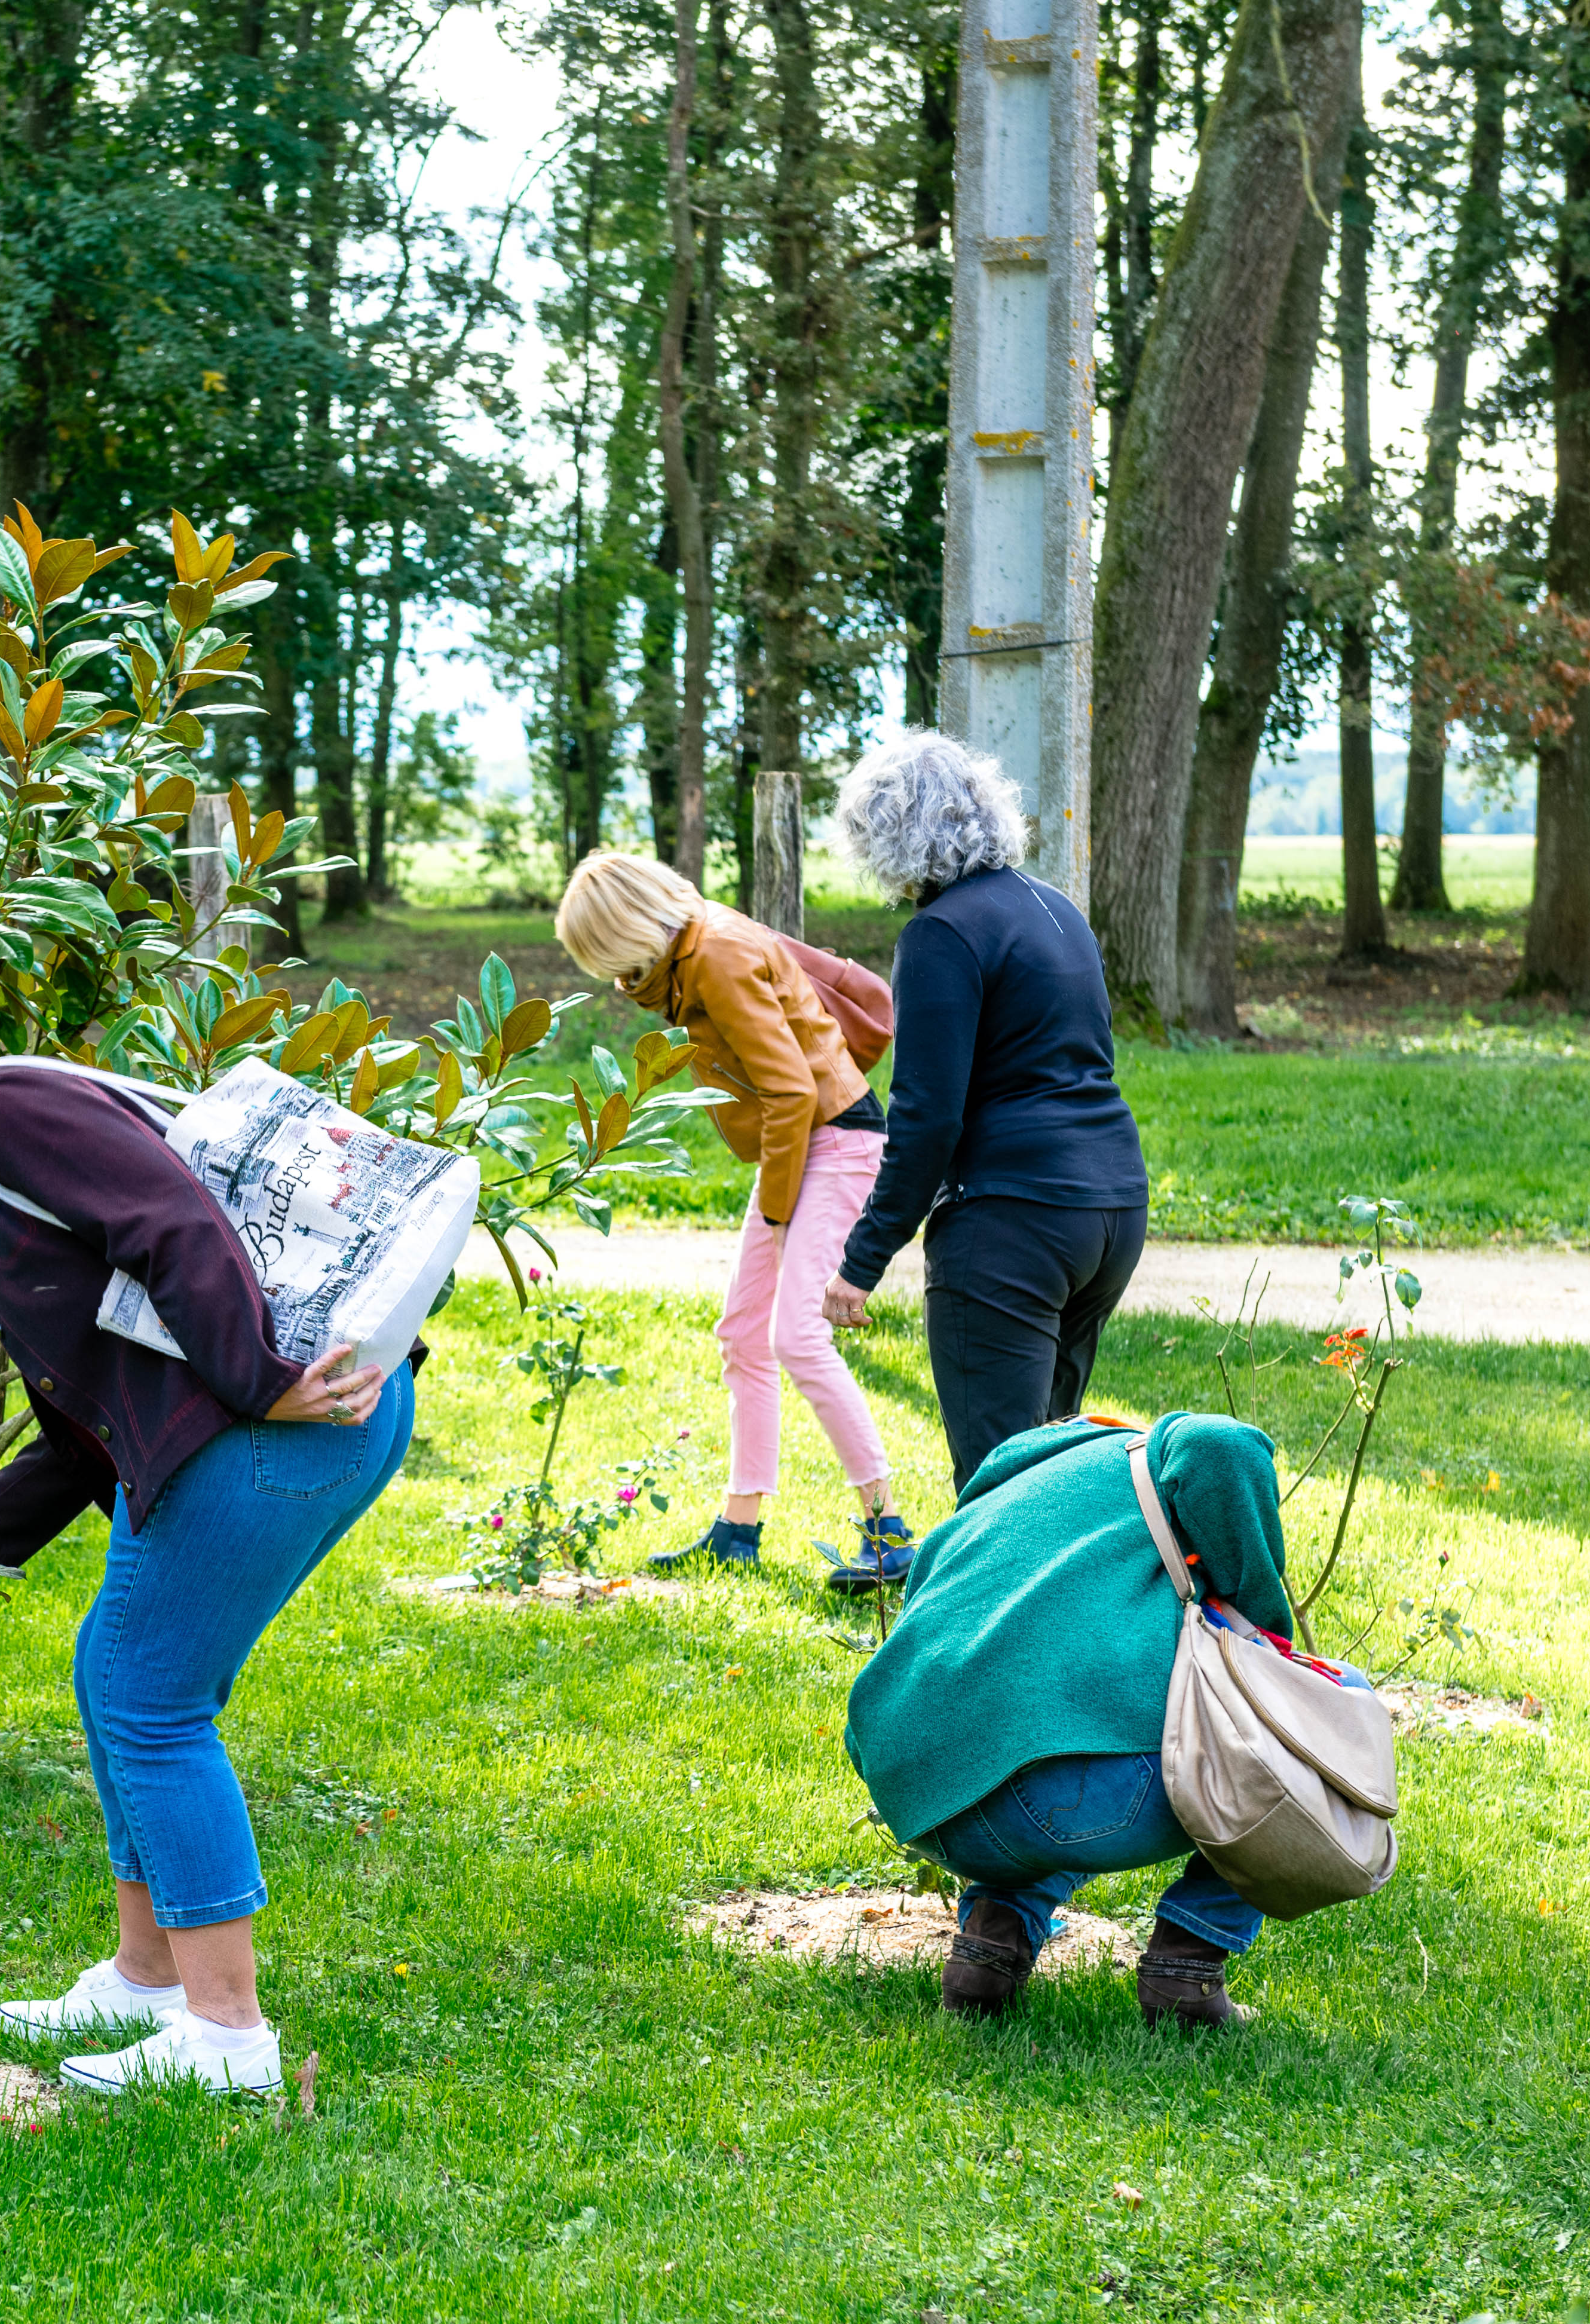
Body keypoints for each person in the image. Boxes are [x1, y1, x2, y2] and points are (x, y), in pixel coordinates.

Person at [0, 1011, 403, 2097]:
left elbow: (169, 1226)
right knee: (116, 1670)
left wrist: (258, 1376)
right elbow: (103, 1389)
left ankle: (226, 2038)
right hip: (265, 1415)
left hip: (280, 1419)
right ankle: (148, 1979)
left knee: (149, 1694)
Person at [845, 1408, 1316, 2029]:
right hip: (1058, 1802)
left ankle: (991, 1946)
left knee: (1055, 1728)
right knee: (1290, 1752)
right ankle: (1189, 1966)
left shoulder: (1009, 1488)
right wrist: (1272, 1651)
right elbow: (1220, 1443)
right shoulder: (1163, 1452)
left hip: (920, 1801)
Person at [550, 850, 915, 1590]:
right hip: (803, 1143)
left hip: (835, 1141)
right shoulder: (695, 944)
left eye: (609, 962)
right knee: (743, 1334)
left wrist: (778, 1216)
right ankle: (737, 1529)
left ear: (626, 931)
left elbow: (790, 1094)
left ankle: (891, 1533)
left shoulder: (713, 954)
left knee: (798, 1335)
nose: (616, 982)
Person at [818, 732, 1152, 1492]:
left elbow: (928, 1118)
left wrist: (861, 1262)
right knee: (1052, 1465)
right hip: (1111, 1209)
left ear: (889, 839)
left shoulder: (941, 934)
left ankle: (988, 1611)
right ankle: (1066, 1605)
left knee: (997, 1477)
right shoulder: (1056, 910)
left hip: (1014, 1225)